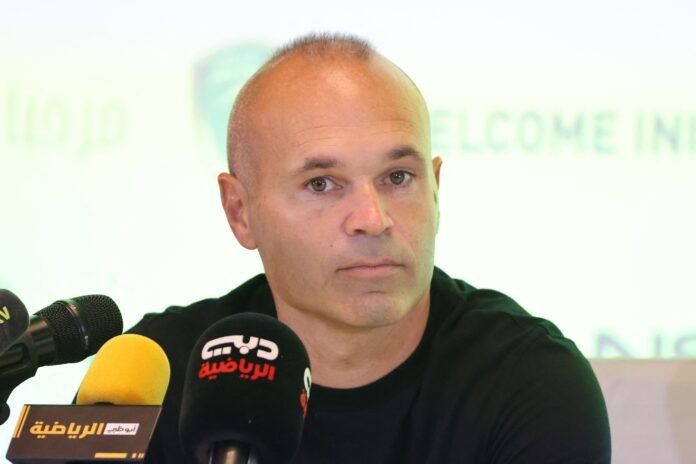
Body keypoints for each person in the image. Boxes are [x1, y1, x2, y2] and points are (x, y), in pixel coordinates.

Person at [130, 33, 611, 463]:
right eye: (321, 184)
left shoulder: (528, 381)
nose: (373, 219)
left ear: (436, 190)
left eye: (398, 177)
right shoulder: (156, 373)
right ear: (239, 211)